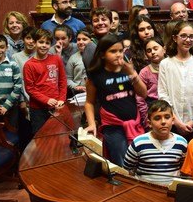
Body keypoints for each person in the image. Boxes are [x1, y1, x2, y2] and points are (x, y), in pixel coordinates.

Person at [85, 33, 146, 165]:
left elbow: (143, 93)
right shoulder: (96, 76)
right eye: (113, 51)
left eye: (120, 51)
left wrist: (132, 73)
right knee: (121, 162)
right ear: (102, 54)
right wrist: (91, 124)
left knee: (140, 160)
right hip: (113, 127)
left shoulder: (127, 70)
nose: (118, 54)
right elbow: (89, 102)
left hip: (135, 122)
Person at [158, 21, 193, 139]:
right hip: (173, 123)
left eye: (191, 36)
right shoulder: (166, 64)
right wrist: (176, 121)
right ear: (175, 38)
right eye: (184, 36)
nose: (188, 40)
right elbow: (163, 94)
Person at [123, 100, 188, 185]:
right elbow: (126, 171)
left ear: (173, 120)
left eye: (167, 117)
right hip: (145, 192)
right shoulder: (138, 143)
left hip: (172, 192)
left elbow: (184, 170)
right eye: (157, 118)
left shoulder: (181, 143)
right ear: (149, 123)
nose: (163, 122)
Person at [23, 29, 67, 135]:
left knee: (58, 136)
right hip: (38, 110)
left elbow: (62, 80)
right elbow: (30, 89)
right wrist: (46, 100)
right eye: (41, 42)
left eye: (47, 43)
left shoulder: (56, 59)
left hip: (57, 106)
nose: (44, 45)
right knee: (40, 137)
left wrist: (62, 98)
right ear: (35, 43)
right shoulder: (29, 65)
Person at [137, 37, 165, 128]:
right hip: (151, 108)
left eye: (155, 49)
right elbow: (140, 98)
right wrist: (146, 118)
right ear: (145, 55)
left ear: (164, 49)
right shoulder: (144, 72)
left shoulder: (172, 67)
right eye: (149, 51)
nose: (152, 52)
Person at [66, 29, 90, 97]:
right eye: (78, 39)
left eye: (84, 39)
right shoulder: (73, 58)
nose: (80, 42)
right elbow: (67, 79)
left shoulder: (97, 56)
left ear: (91, 40)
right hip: (78, 94)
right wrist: (76, 86)